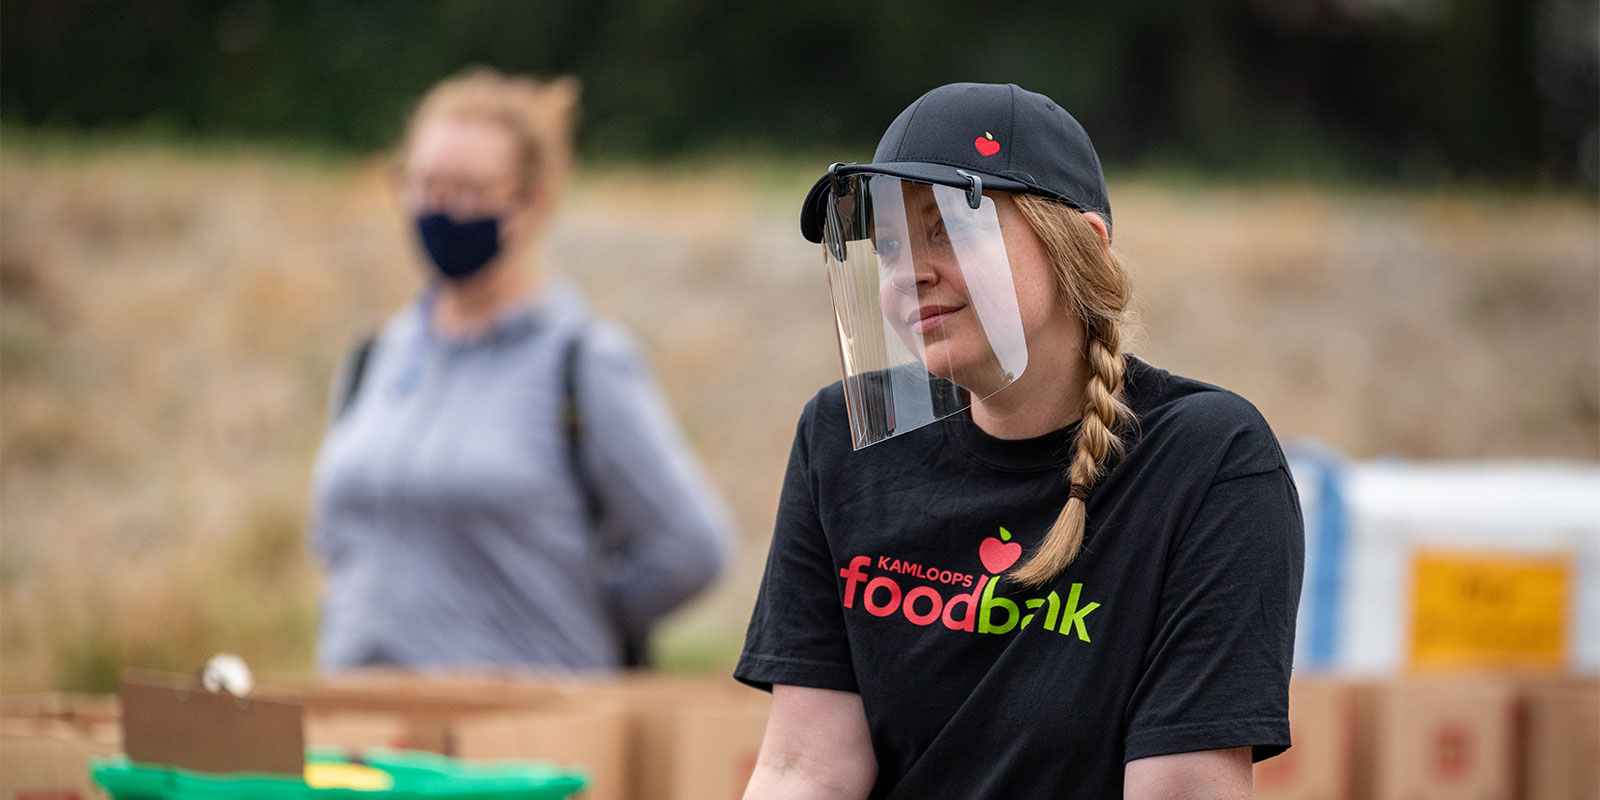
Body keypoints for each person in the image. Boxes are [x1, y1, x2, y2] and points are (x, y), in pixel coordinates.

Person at [735, 83, 1304, 799]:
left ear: (1080, 247)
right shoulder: (844, 434)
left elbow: (1184, 790)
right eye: (889, 245)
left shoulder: (1209, 460)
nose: (909, 273)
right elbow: (804, 770)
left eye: (949, 228)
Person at [309, 67, 733, 672]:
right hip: (358, 712)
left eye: (468, 190)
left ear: (532, 202)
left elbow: (689, 550)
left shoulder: (582, 362)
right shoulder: (376, 357)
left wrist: (572, 622)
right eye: (424, 185)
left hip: (516, 717)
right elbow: (335, 542)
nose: (440, 208)